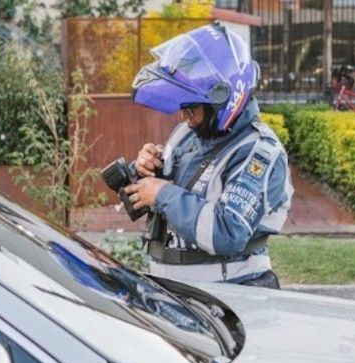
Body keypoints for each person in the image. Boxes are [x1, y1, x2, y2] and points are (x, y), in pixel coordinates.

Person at [122, 23, 293, 289]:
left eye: (191, 108)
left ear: (221, 101)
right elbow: (160, 199)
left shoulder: (258, 152)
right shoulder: (187, 134)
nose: (184, 117)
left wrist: (162, 193)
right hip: (174, 290)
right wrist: (145, 171)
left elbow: (227, 232)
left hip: (231, 294)